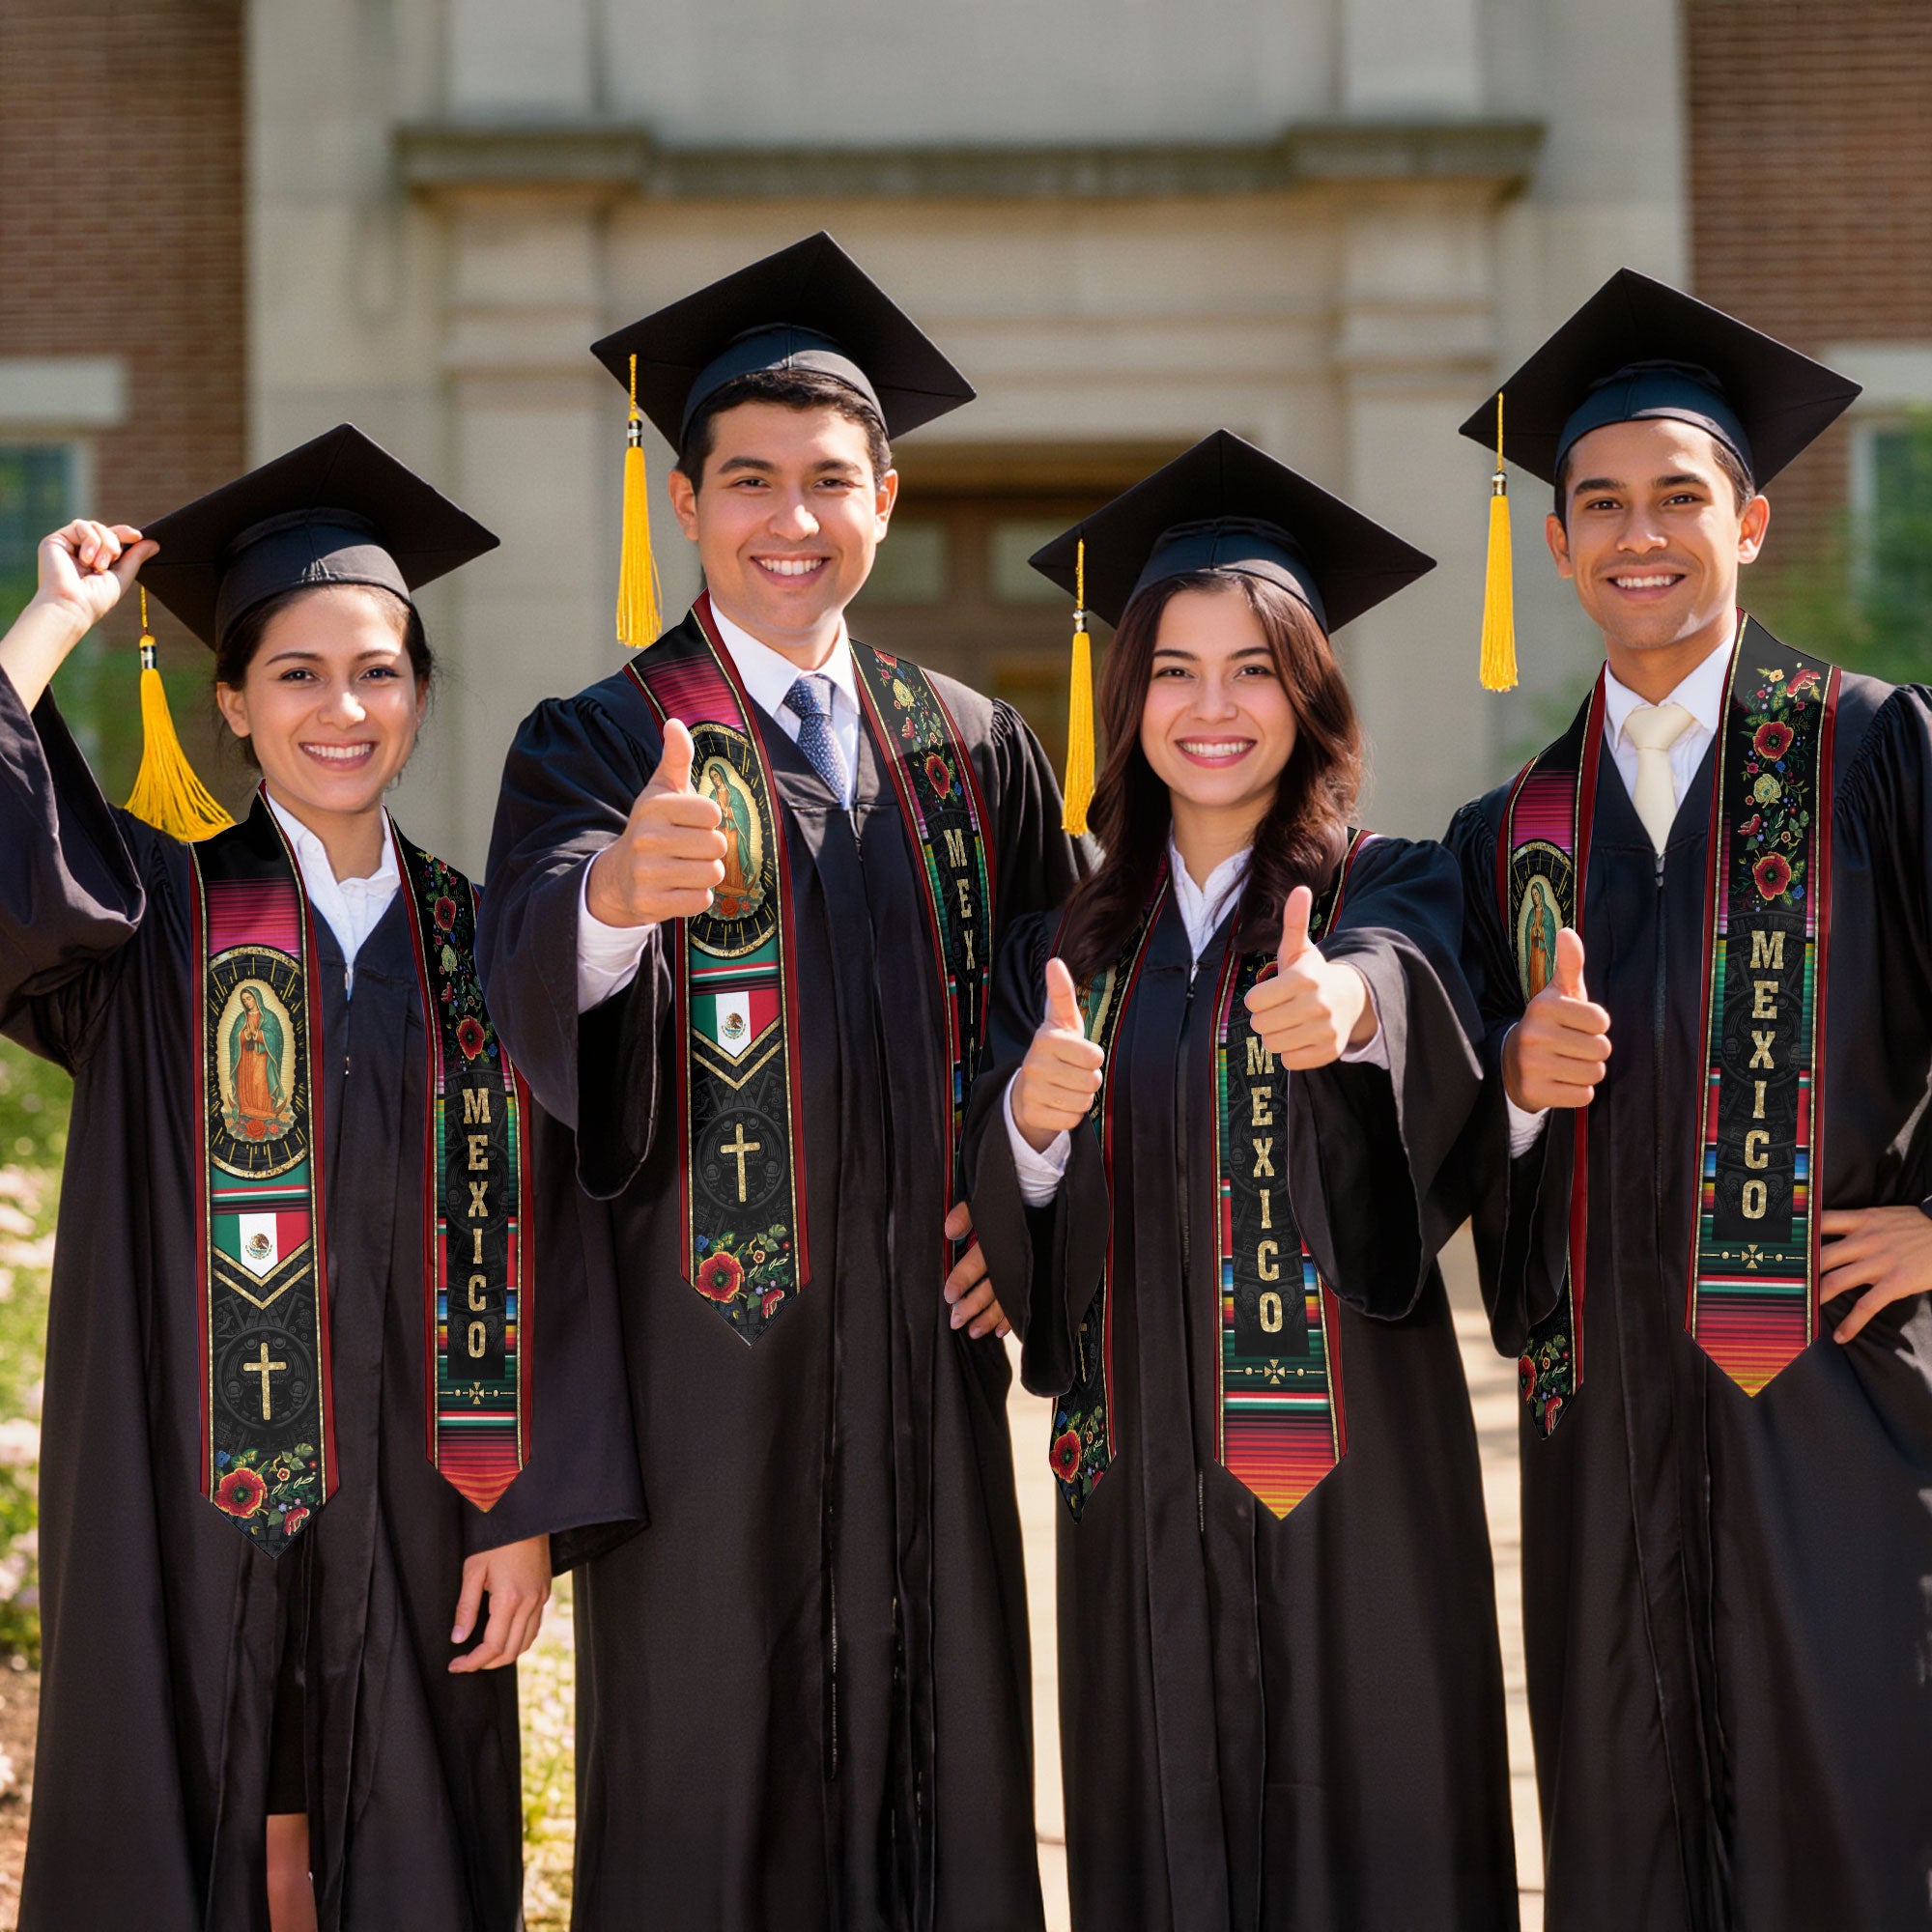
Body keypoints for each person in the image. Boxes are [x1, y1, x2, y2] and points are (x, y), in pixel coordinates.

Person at [478, 233, 1084, 1931]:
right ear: (687, 503)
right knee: (708, 1791)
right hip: (706, 1380)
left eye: (831, 481)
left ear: (886, 497)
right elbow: (522, 973)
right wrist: (610, 899)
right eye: (750, 481)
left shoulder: (974, 745)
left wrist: (1026, 1207)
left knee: (944, 1773)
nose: (791, 519)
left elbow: (1076, 1012)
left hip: (924, 1369)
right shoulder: (601, 739)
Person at [0, 426, 642, 1932]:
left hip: (427, 1501)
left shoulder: (494, 945)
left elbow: (559, 1245)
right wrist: (50, 624)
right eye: (295, 673)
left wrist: (525, 1507)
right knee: (192, 1808)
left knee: (408, 1834)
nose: (340, 708)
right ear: (231, 701)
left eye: (378, 670)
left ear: (420, 694)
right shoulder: (152, 920)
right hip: (185, 1489)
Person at [965, 432, 1518, 1930]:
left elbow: (1413, 989)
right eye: (1175, 670)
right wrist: (1028, 1117)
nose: (1214, 709)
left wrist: (1348, 1014)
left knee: (1379, 1834)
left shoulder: (1387, 884)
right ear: (1127, 697)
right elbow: (1010, 1206)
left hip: (1357, 1485)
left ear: (1311, 693)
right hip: (1138, 1478)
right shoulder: (1063, 946)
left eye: (1256, 668)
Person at [1446, 270, 1932, 1931]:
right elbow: (1443, 1137)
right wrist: (1511, 1088)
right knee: (1625, 1831)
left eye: (1677, 497)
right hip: (1604, 1435)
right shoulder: (1510, 831)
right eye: (1599, 504)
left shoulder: (1871, 752)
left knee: (1856, 1815)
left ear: (1752, 521)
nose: (1636, 534)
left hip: (1838, 1408)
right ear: (1561, 542)